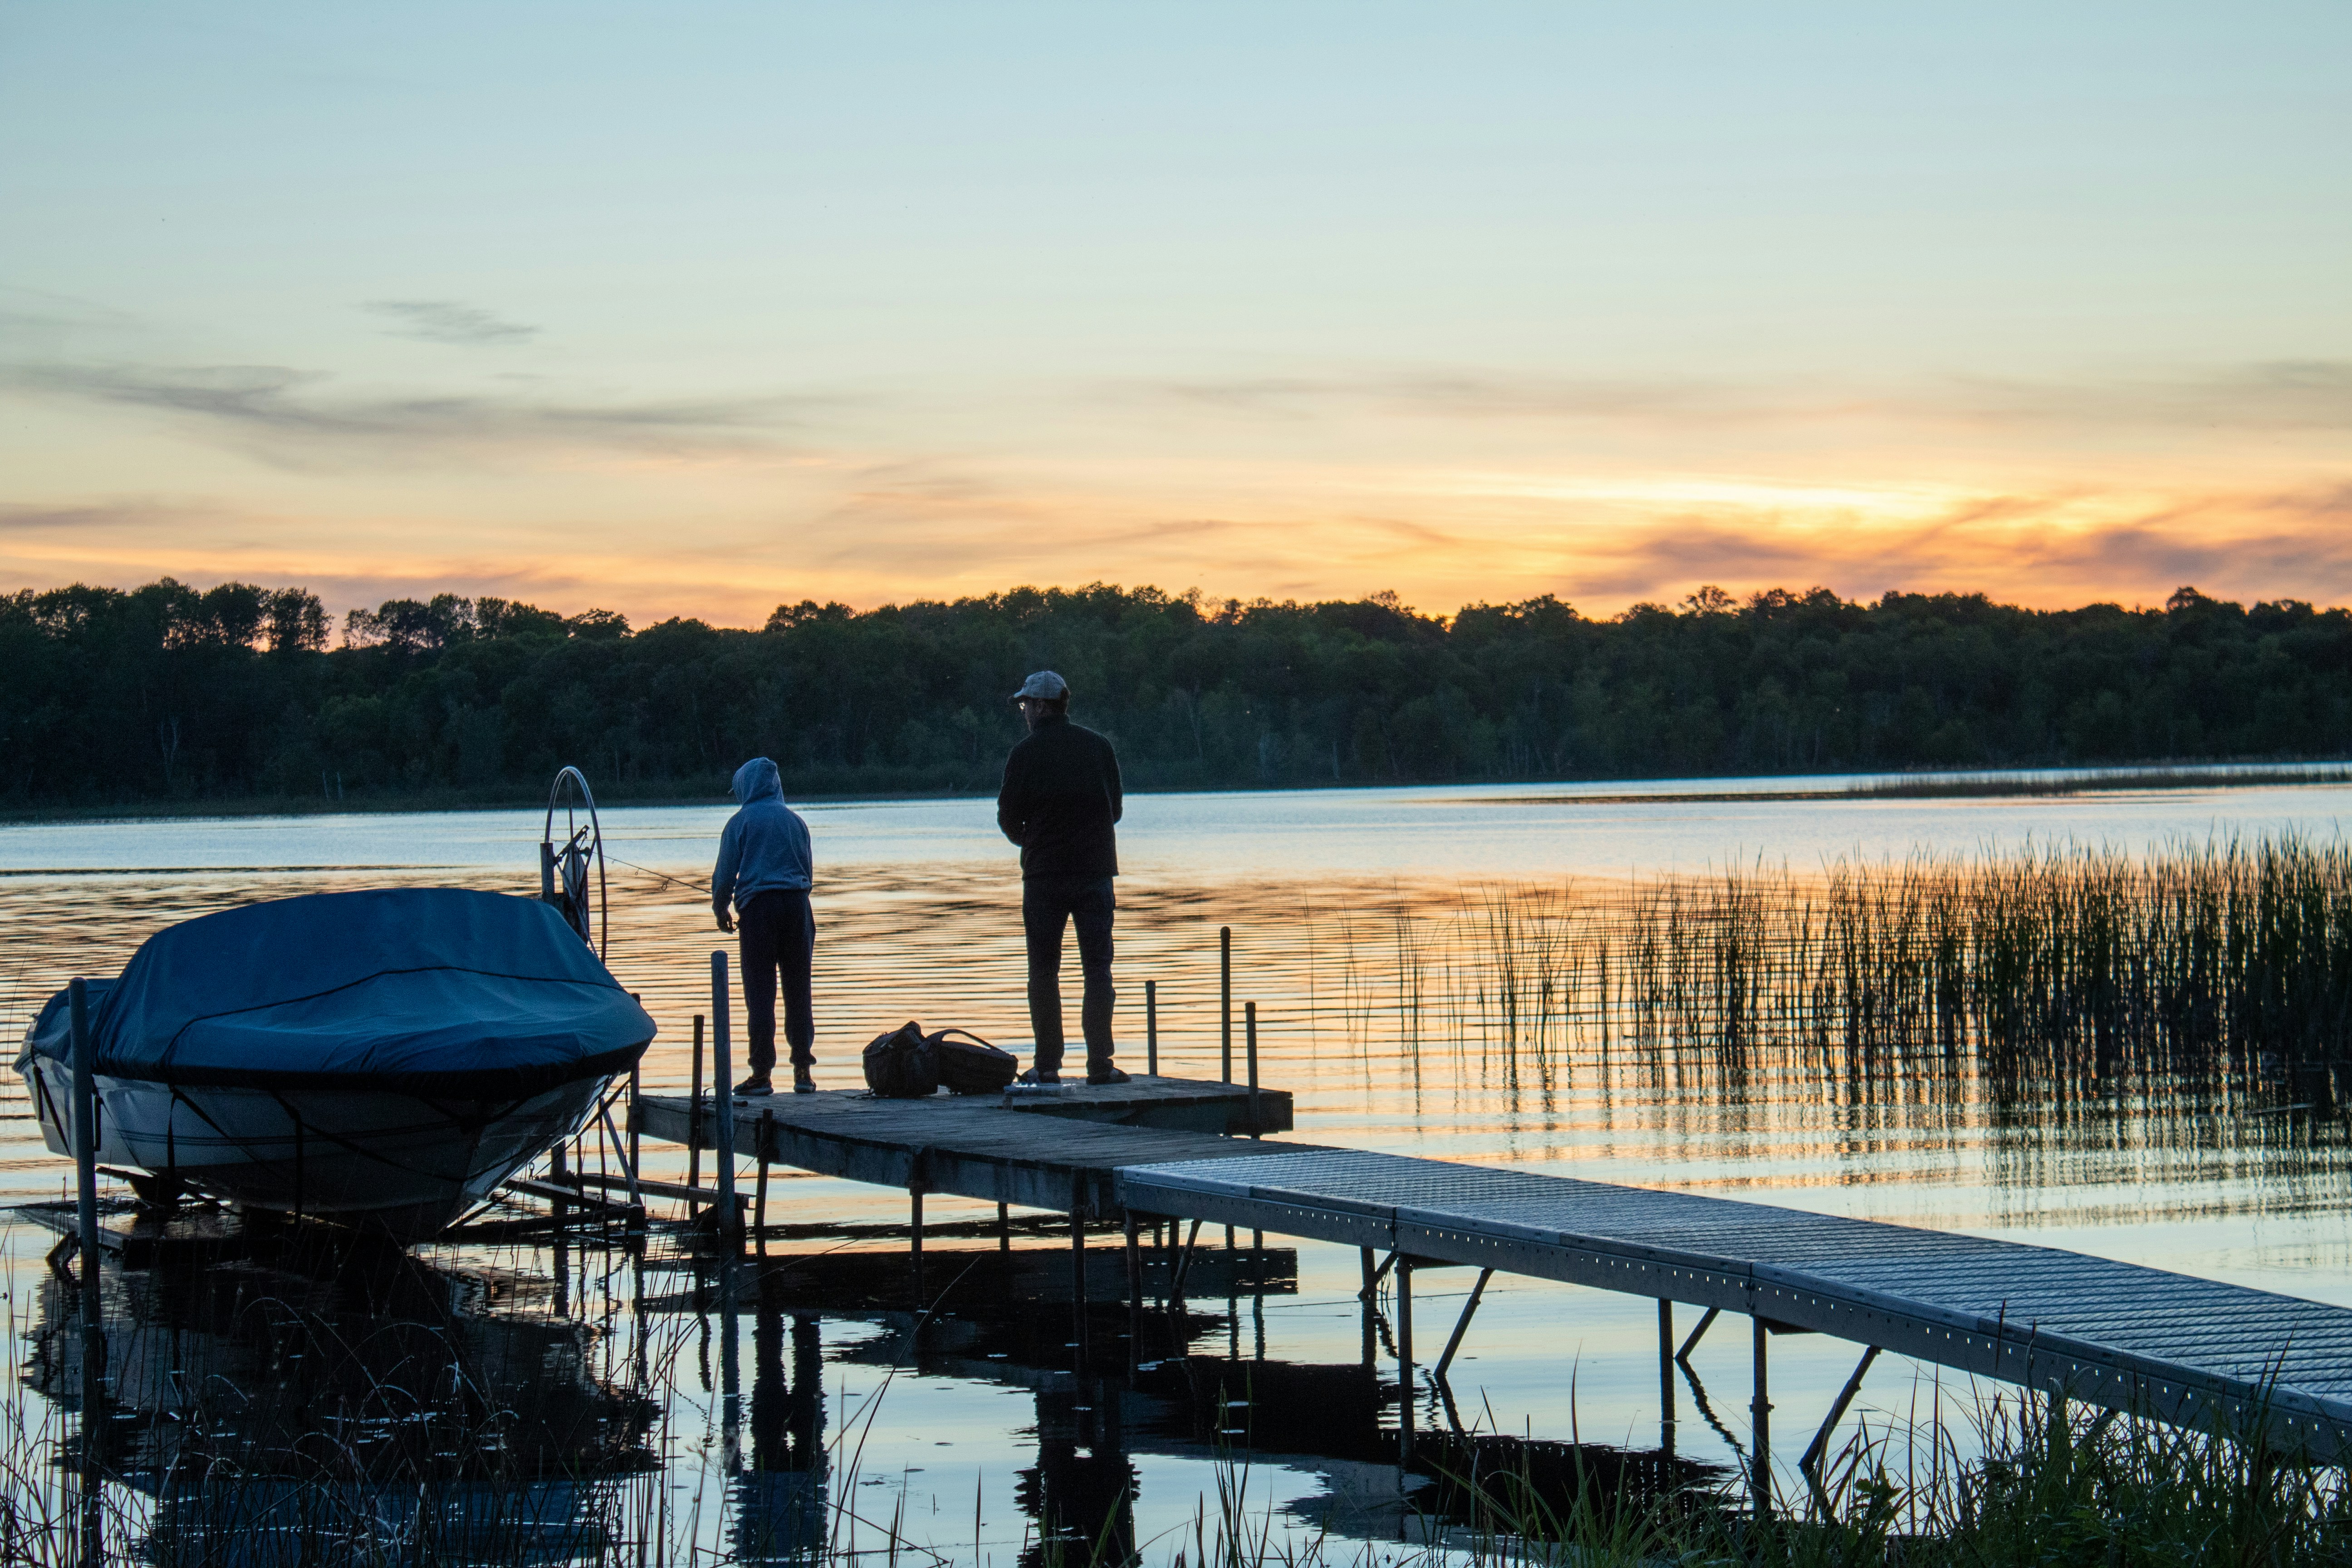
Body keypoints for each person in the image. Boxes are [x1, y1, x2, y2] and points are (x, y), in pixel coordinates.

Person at [996, 670, 1129, 1085]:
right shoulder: (1099, 747)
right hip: (1094, 875)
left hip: (1044, 879)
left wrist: (1033, 843)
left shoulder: (1025, 753)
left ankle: (1048, 1066)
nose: (1024, 712)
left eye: (1025, 705)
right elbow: (1117, 811)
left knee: (1043, 972)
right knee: (1098, 971)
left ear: (1040, 706)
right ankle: (1100, 1065)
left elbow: (1006, 817)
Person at [712, 756, 816, 1095]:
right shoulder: (796, 822)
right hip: (799, 907)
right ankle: (803, 1071)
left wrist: (721, 907)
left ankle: (761, 1074)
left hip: (759, 912)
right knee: (798, 990)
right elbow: (807, 872)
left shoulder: (740, 823)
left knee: (760, 993)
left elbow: (725, 874)